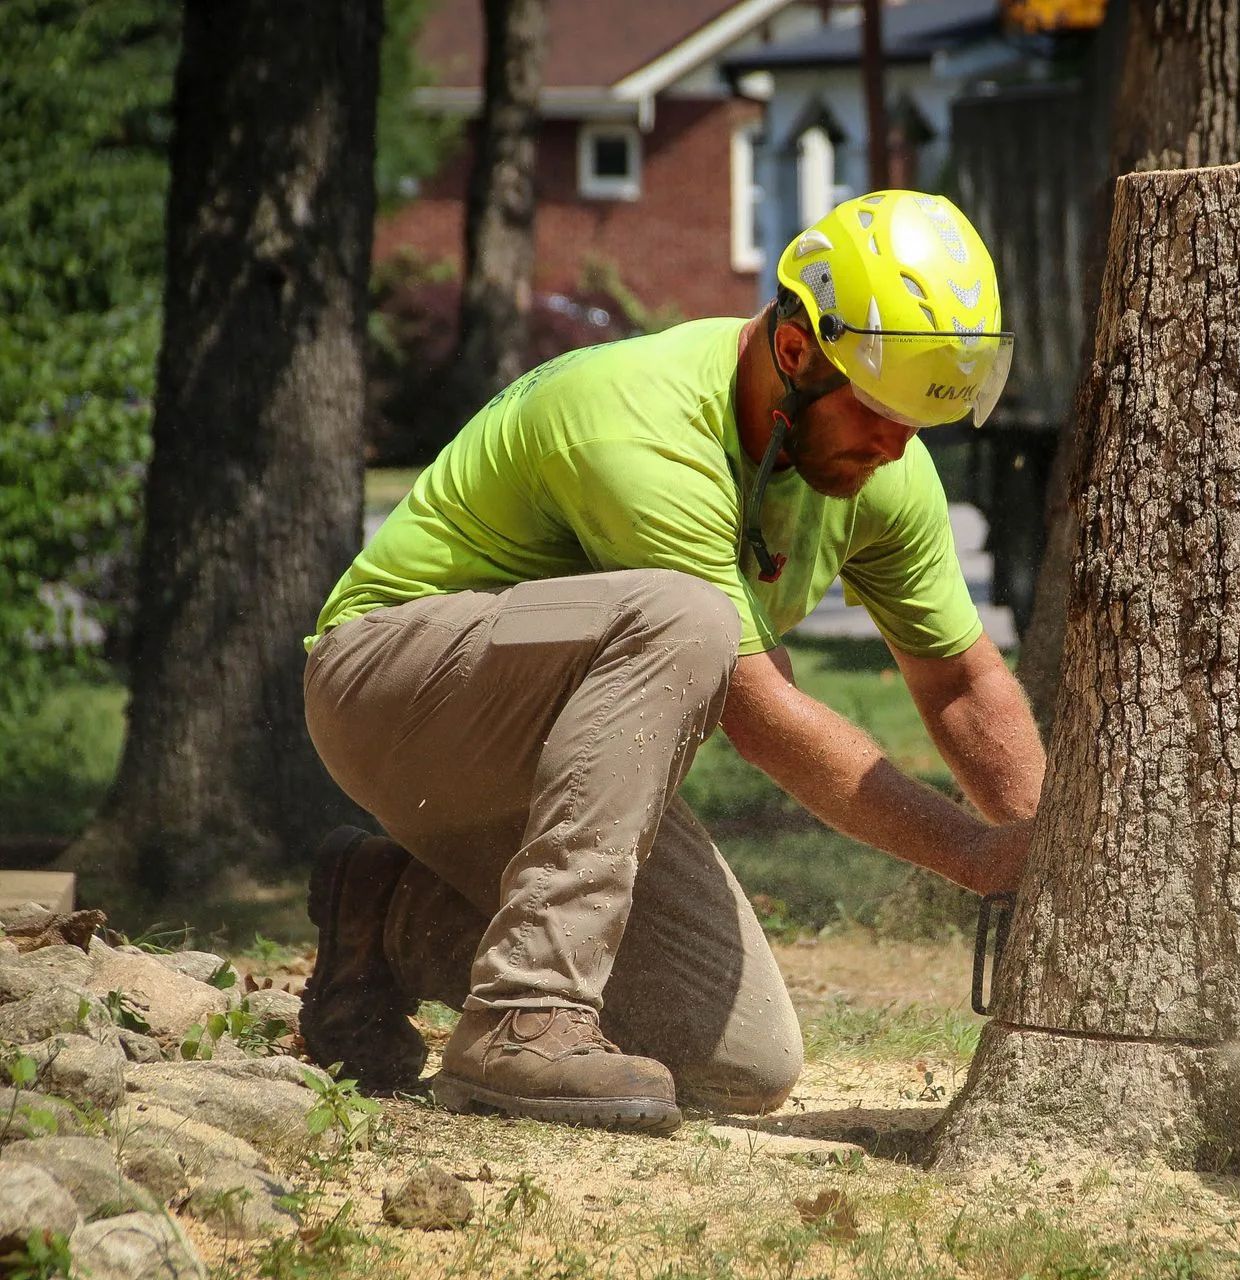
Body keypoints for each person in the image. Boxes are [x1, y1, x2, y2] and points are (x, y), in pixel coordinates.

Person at [300, 191, 1045, 1135]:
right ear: (794, 351)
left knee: (744, 1061)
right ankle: (526, 1014)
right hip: (388, 693)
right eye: (876, 413)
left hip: (542, 761)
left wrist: (1048, 856)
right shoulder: (641, 419)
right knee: (687, 616)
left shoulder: (881, 465)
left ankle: (386, 911)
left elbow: (962, 682)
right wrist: (974, 854)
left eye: (916, 424)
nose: (896, 446)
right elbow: (754, 704)